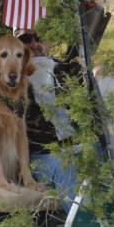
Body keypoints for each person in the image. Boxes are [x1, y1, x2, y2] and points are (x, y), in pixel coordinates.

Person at [18, 30, 81, 208]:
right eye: (25, 40)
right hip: (44, 155)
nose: (33, 44)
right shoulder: (11, 77)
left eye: (38, 38)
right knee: (67, 167)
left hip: (80, 147)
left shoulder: (69, 69)